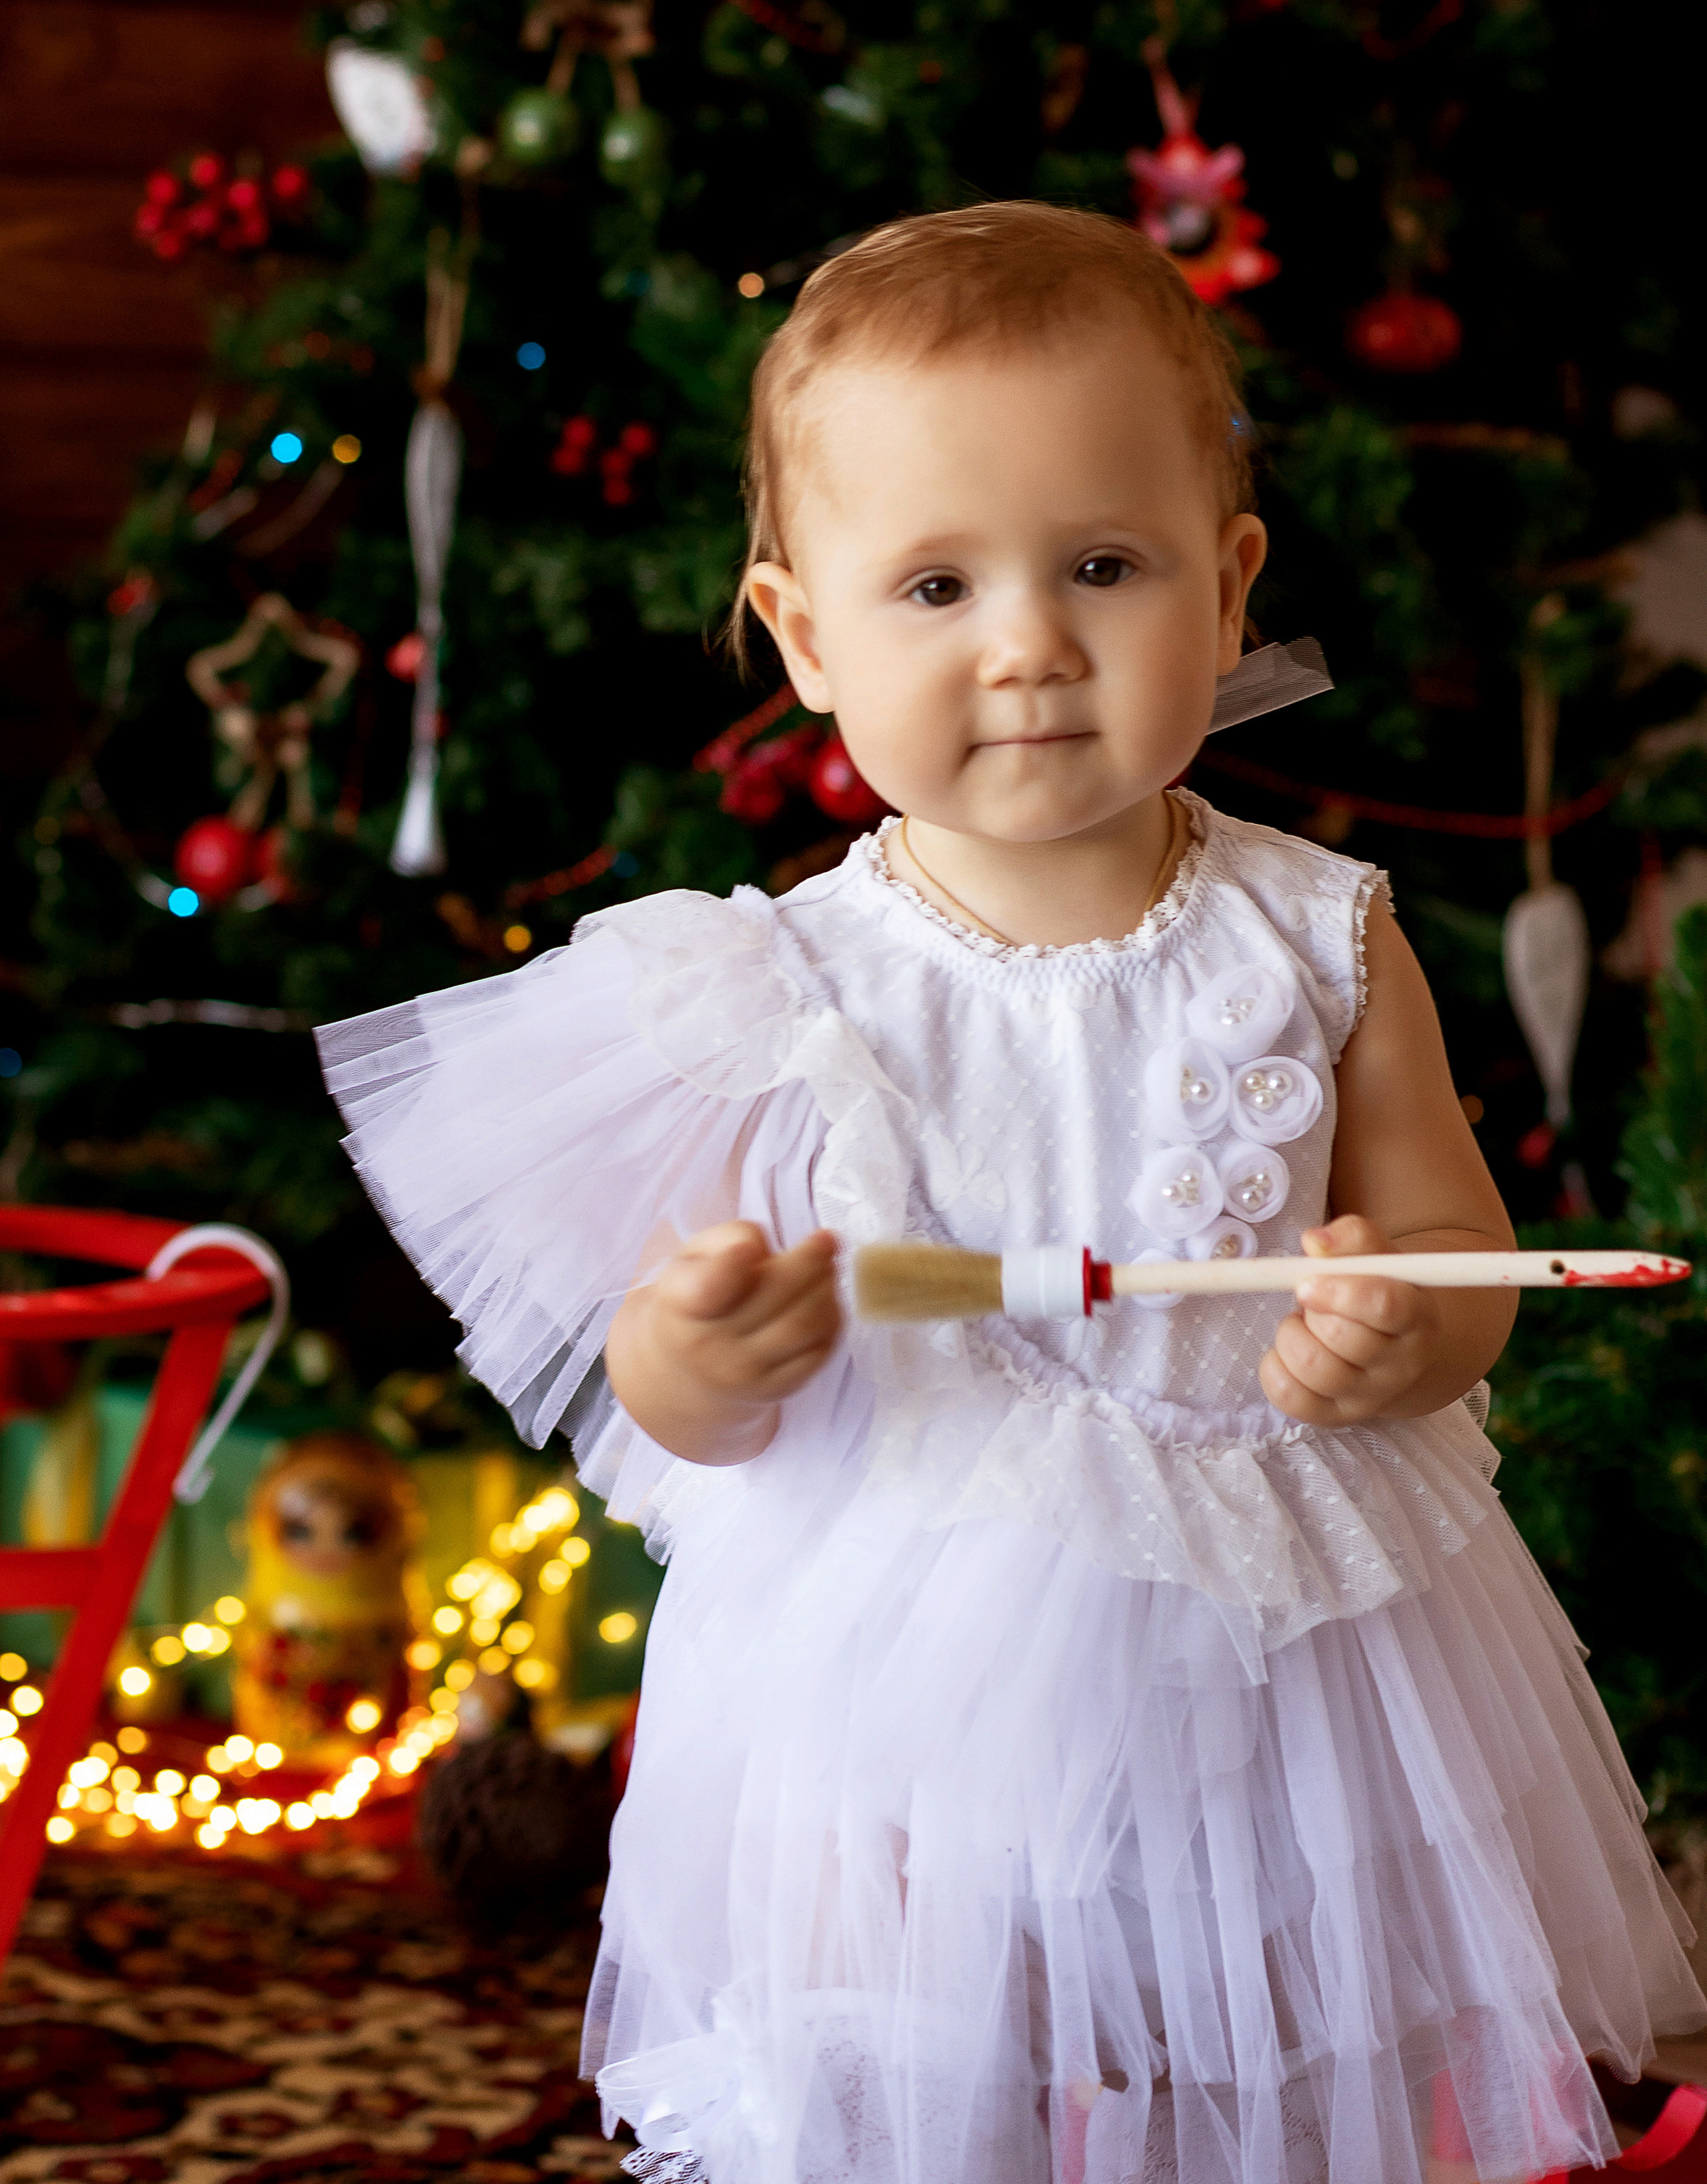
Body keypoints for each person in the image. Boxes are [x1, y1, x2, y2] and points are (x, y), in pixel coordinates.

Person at [317, 203, 1702, 2184]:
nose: (1032, 642)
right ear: (808, 639)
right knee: (916, 2065)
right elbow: (673, 1403)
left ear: (1229, 591)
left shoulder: (1322, 936)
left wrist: (1403, 1324)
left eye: (1104, 567)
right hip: (906, 1671)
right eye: (937, 584)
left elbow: (1459, 1255)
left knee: (1283, 2049)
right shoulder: (771, 988)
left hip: (1286, 1639)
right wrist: (702, 1347)